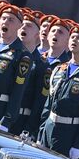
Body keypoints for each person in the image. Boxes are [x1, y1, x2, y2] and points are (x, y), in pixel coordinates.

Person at [38, 26, 79, 158]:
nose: (74, 40)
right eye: (72, 37)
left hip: (68, 131)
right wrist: (41, 131)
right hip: (49, 127)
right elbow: (48, 104)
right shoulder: (59, 68)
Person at [13, 11, 51, 139]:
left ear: (37, 35)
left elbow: (39, 101)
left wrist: (29, 128)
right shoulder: (11, 55)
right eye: (22, 25)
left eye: (29, 26)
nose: (23, 28)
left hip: (22, 120)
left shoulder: (42, 64)